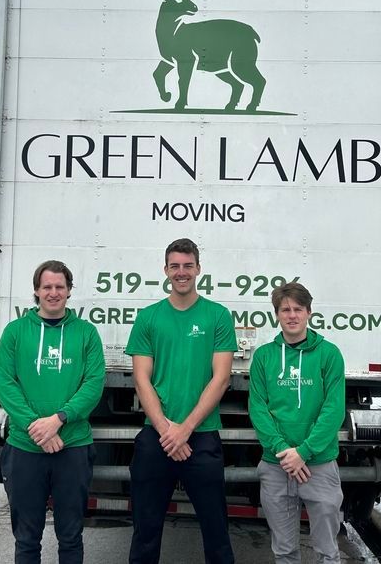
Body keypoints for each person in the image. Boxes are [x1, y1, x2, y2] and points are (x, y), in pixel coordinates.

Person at [125, 238, 237, 564]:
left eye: (188, 265)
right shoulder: (149, 318)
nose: (181, 272)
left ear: (199, 269)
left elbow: (221, 378)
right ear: (165, 271)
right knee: (145, 532)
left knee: (216, 533)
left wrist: (184, 429)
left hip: (201, 436)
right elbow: (141, 378)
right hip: (156, 436)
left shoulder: (217, 316)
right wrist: (166, 430)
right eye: (175, 266)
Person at [0, 260, 106, 564]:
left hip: (72, 447)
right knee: (27, 539)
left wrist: (59, 420)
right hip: (24, 447)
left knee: (70, 536)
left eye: (60, 287)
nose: (53, 293)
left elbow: (94, 383)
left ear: (69, 291)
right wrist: (36, 427)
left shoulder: (86, 333)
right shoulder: (16, 332)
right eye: (47, 287)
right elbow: (5, 383)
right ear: (36, 291)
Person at [249, 282, 345, 564]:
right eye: (285, 309)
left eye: (298, 309)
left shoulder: (329, 354)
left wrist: (303, 452)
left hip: (319, 464)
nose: (292, 315)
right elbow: (258, 408)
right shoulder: (264, 357)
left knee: (327, 552)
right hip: (275, 465)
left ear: (309, 312)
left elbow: (333, 409)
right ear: (277, 314)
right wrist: (283, 450)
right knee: (284, 551)